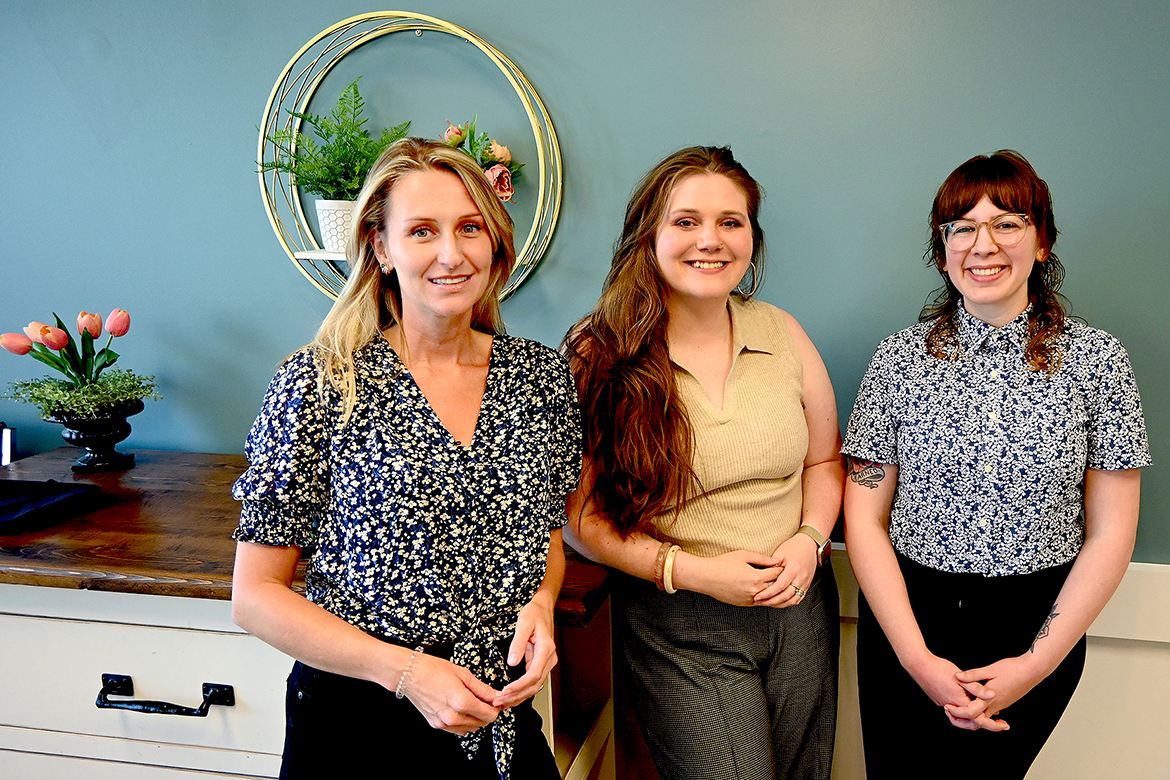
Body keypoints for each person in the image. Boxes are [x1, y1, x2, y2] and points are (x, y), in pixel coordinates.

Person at [230, 138, 581, 780]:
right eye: (422, 231)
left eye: (469, 227)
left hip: (496, 720)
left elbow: (546, 538)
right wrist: (409, 673)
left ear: (495, 244)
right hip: (358, 726)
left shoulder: (539, 379)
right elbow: (255, 595)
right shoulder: (321, 382)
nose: (451, 253)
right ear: (381, 249)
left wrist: (540, 606)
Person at [842, 150, 1150, 778]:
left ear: (1041, 242)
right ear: (943, 246)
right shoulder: (899, 359)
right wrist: (917, 660)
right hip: (908, 621)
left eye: (1007, 223)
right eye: (962, 227)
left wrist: (1032, 666)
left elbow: (1113, 533)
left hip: (1032, 626)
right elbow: (865, 519)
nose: (983, 245)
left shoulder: (1100, 362)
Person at [563, 146, 844, 780]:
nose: (710, 241)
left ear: (752, 238)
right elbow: (580, 514)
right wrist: (690, 572)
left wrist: (807, 543)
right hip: (680, 617)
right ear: (649, 234)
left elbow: (825, 463)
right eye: (685, 221)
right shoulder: (600, 349)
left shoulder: (782, 332)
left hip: (798, 603)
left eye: (731, 222)